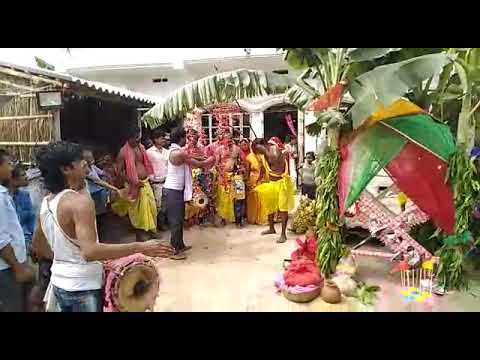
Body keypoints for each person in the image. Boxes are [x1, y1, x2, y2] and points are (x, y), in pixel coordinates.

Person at [31, 141, 173, 312]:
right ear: (66, 169)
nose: (86, 163)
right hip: (83, 288)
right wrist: (141, 247)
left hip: (59, 284)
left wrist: (68, 258)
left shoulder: (47, 202)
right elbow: (90, 252)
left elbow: (39, 247)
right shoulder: (79, 203)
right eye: (79, 160)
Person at [163, 127, 215, 260]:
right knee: (175, 221)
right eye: (185, 137)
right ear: (180, 138)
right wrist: (213, 158)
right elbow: (199, 163)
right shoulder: (177, 153)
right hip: (173, 191)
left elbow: (192, 157)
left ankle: (180, 245)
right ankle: (173, 251)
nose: (186, 140)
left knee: (179, 219)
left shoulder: (177, 151)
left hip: (176, 190)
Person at [0, 149, 35, 312]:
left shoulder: (4, 194)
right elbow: (1, 239)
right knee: (12, 306)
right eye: (8, 164)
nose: (11, 168)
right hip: (6, 268)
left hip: (11, 264)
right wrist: (18, 268)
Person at [114, 126, 157, 241]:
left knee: (152, 208)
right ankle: (140, 235)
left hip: (145, 182)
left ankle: (150, 230)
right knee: (137, 212)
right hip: (134, 186)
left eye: (139, 136)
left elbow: (146, 164)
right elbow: (119, 171)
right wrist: (132, 182)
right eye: (135, 137)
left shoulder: (141, 147)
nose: (138, 139)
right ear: (128, 138)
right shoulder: (123, 152)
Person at [253, 139, 296, 243]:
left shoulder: (274, 152)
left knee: (282, 208)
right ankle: (271, 228)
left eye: (257, 149)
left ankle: (283, 234)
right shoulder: (266, 153)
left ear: (262, 145)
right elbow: (265, 168)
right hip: (272, 184)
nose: (257, 153)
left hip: (281, 184)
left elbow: (277, 169)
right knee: (269, 205)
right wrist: (260, 178)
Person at [214, 131, 241, 225]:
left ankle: (238, 220)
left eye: (230, 138)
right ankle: (223, 218)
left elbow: (241, 162)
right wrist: (221, 173)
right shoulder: (219, 149)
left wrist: (240, 169)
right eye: (226, 138)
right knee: (223, 198)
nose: (228, 140)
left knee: (237, 198)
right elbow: (216, 164)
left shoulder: (237, 149)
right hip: (223, 177)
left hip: (236, 176)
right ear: (223, 139)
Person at [9, 164, 36, 256]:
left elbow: (31, 220)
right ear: (12, 179)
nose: (26, 177)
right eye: (23, 175)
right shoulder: (5, 199)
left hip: (26, 242)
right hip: (10, 245)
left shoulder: (25, 195)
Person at [146, 128, 169, 230]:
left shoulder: (167, 151)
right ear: (155, 139)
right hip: (156, 182)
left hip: (168, 180)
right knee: (158, 205)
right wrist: (152, 178)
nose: (164, 139)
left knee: (167, 203)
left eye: (164, 138)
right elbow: (147, 166)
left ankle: (164, 222)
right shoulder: (149, 152)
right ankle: (159, 224)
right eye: (161, 138)